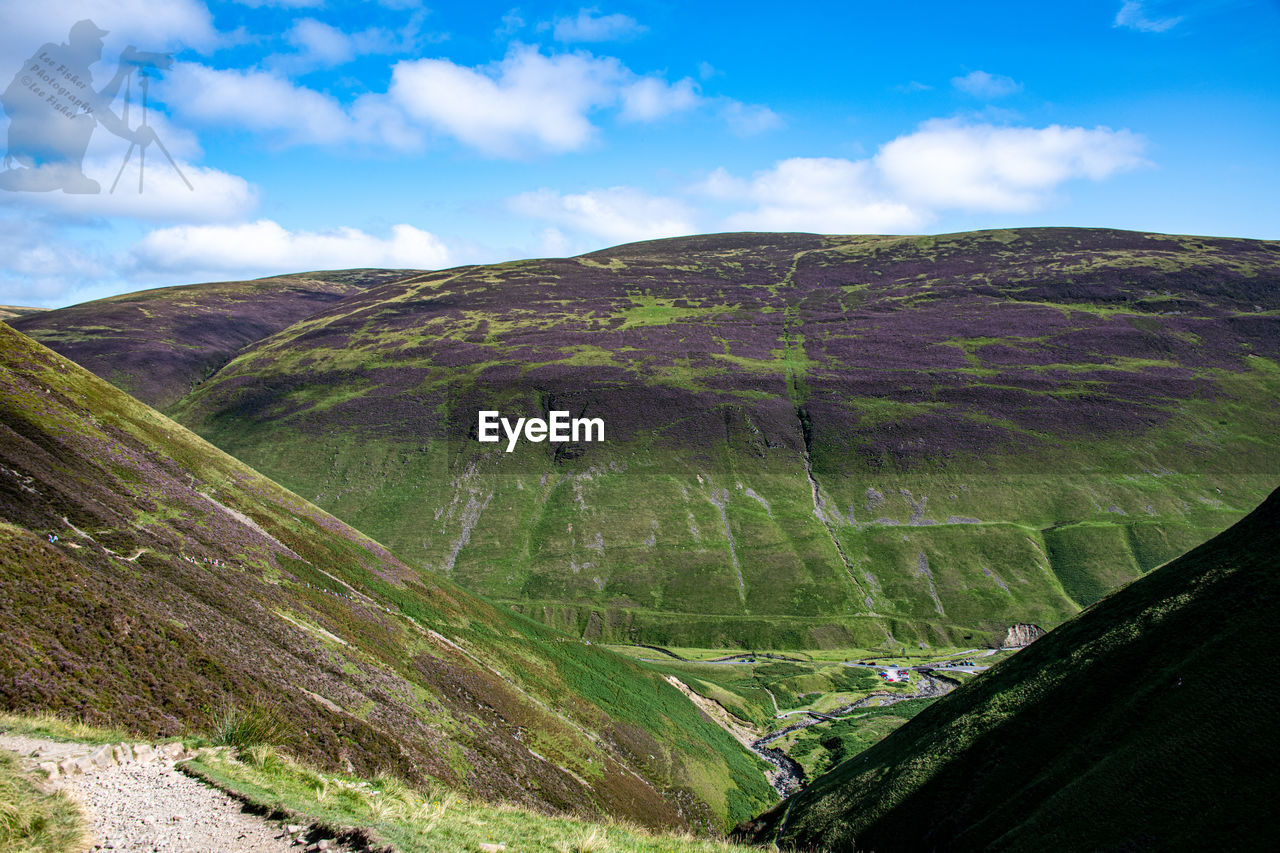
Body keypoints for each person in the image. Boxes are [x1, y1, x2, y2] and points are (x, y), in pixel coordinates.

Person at [0, 19, 154, 193]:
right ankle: (67, 175)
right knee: (83, 122)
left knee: (74, 121)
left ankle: (41, 175)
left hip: (22, 138)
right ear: (83, 43)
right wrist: (133, 136)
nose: (101, 44)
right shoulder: (65, 63)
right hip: (31, 141)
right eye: (96, 39)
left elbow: (97, 106)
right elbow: (100, 109)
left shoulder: (57, 57)